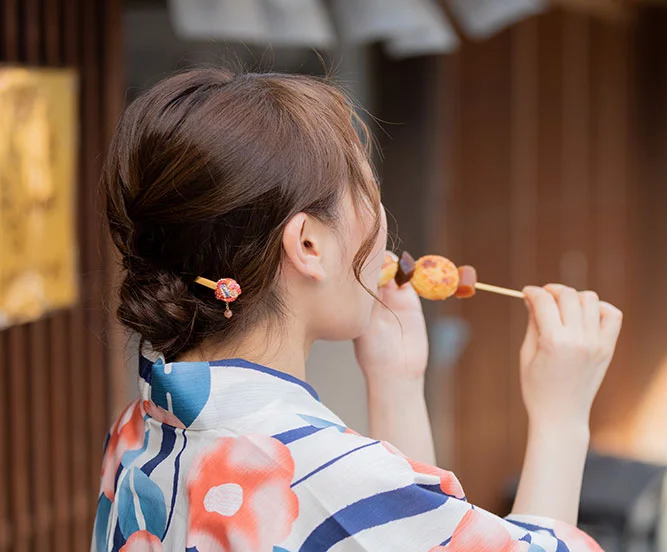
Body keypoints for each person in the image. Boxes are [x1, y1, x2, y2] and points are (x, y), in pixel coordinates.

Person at [92, 68, 622, 552]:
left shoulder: (137, 432)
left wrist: (397, 383)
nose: (384, 227)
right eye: (369, 195)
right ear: (308, 246)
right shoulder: (322, 476)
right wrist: (562, 418)